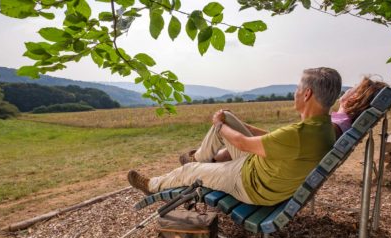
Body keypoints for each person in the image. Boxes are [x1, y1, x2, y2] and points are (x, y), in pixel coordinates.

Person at [128, 67, 341, 206]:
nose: (295, 92)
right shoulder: (324, 128)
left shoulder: (298, 135)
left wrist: (220, 126)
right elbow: (272, 138)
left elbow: (243, 143)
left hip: (250, 183)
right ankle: (199, 157)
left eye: (297, 88)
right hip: (262, 169)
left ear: (307, 94)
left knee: (189, 171)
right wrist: (231, 121)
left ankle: (152, 185)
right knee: (228, 117)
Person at [193, 76, 389, 163]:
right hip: (283, 157)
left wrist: (221, 123)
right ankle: (202, 158)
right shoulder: (339, 124)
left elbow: (254, 143)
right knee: (230, 123)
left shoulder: (328, 126)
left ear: (355, 97)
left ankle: (196, 160)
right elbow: (277, 138)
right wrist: (242, 125)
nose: (349, 89)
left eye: (354, 87)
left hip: (270, 166)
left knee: (224, 117)